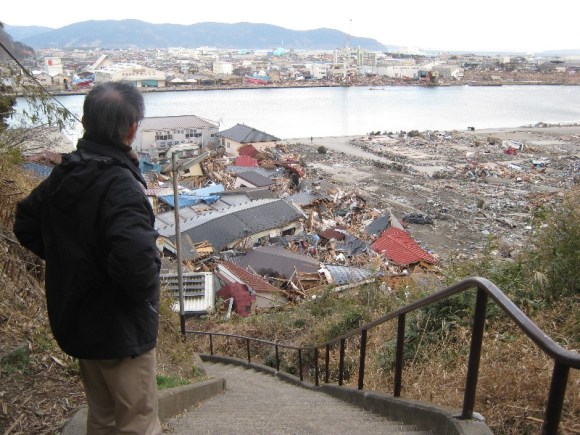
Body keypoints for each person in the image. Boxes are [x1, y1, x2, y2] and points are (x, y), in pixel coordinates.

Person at [14, 81, 162, 434]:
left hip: (78, 319)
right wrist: (129, 293)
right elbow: (137, 264)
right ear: (132, 129)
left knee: (103, 417)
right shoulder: (121, 186)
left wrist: (71, 263)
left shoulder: (66, 173)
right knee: (137, 423)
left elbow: (26, 222)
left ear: (84, 123)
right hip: (120, 330)